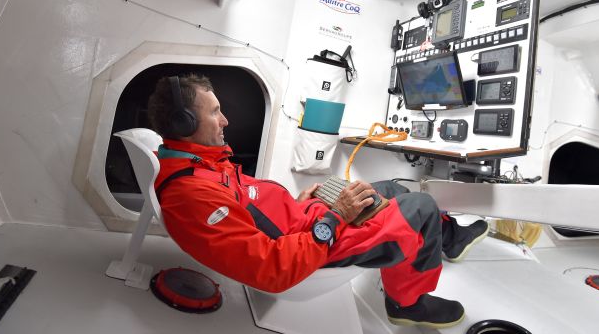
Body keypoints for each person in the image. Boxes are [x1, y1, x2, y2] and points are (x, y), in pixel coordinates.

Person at [147, 74, 488, 329]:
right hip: (310, 245)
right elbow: (272, 269)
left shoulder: (197, 162)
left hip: (302, 221)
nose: (225, 121)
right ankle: (407, 304)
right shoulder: (193, 197)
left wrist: (300, 203)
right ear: (185, 124)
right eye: (215, 113)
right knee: (422, 206)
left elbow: (253, 211)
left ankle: (452, 239)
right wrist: (336, 217)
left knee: (390, 188)